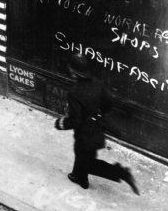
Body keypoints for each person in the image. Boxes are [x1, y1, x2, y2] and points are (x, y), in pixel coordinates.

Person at [54, 53, 139, 195]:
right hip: (97, 130)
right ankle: (80, 178)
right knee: (84, 157)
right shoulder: (98, 84)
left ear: (74, 73)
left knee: (86, 162)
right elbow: (109, 102)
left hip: (84, 134)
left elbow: (75, 120)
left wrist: (60, 123)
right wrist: (98, 113)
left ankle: (121, 172)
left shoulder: (74, 92)